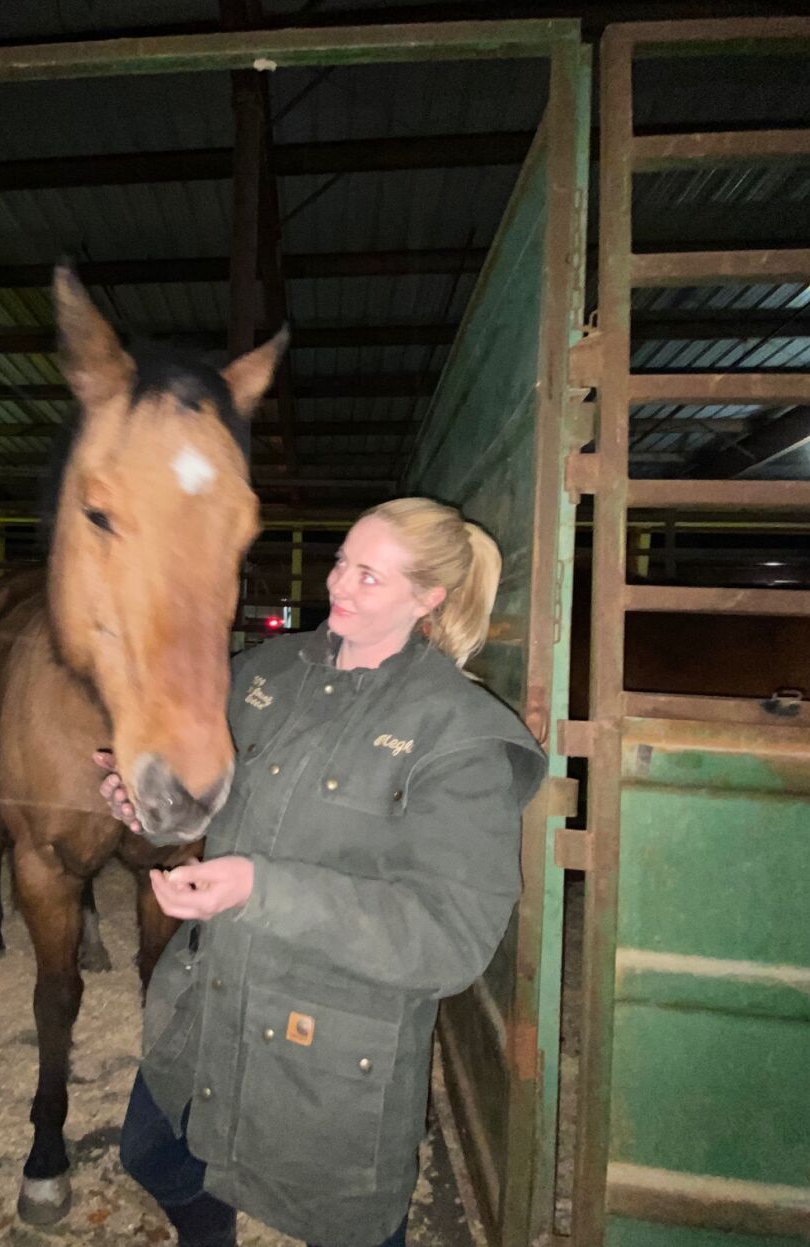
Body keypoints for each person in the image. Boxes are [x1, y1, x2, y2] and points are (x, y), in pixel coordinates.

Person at [95, 497, 547, 1247]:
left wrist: (257, 887)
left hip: (332, 1045)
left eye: (369, 576)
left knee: (347, 1230)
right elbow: (210, 798)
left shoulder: (459, 736)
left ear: (427, 598)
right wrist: (152, 807)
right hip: (214, 998)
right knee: (155, 1154)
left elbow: (449, 938)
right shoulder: (267, 672)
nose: (337, 583)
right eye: (342, 561)